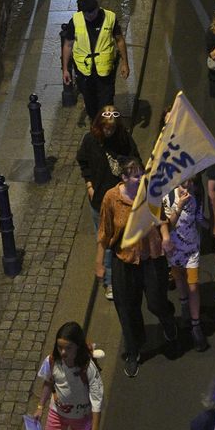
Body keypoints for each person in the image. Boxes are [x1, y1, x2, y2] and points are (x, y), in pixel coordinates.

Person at [96, 158, 178, 378]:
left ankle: (167, 319)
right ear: (123, 178)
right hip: (124, 260)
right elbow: (104, 232)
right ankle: (134, 350)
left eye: (142, 173)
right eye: (136, 175)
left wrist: (166, 237)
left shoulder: (151, 192)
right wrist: (99, 264)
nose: (141, 178)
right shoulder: (111, 198)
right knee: (126, 308)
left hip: (151, 257)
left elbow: (161, 219)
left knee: (156, 301)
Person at [76, 105, 142, 299]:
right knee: (104, 239)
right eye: (106, 128)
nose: (109, 131)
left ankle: (126, 276)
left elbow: (136, 160)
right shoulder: (90, 141)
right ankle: (110, 282)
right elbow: (83, 161)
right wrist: (89, 184)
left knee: (123, 238)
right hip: (100, 200)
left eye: (112, 128)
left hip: (121, 199)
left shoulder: (123, 139)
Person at [33, 321, 103, 430]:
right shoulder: (52, 361)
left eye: (68, 348)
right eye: (60, 348)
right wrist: (40, 406)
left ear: (78, 346)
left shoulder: (88, 368)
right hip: (57, 414)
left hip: (82, 417)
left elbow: (97, 401)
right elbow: (48, 382)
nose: (63, 352)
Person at [62, 0, 130, 120]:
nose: (90, 16)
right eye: (87, 13)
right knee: (90, 104)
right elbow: (68, 45)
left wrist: (125, 63)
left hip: (105, 70)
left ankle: (108, 130)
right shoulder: (75, 21)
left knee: (107, 104)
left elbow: (119, 40)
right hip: (84, 72)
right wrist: (66, 70)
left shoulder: (110, 18)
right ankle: (96, 127)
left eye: (92, 12)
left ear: (97, 7)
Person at [164, 175, 209, 352]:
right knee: (179, 280)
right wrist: (180, 206)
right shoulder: (168, 198)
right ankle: (184, 307)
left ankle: (196, 326)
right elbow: (168, 226)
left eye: (191, 182)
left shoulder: (196, 196)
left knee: (193, 286)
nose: (188, 187)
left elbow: (199, 218)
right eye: (184, 183)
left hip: (191, 250)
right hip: (174, 250)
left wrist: (213, 227)